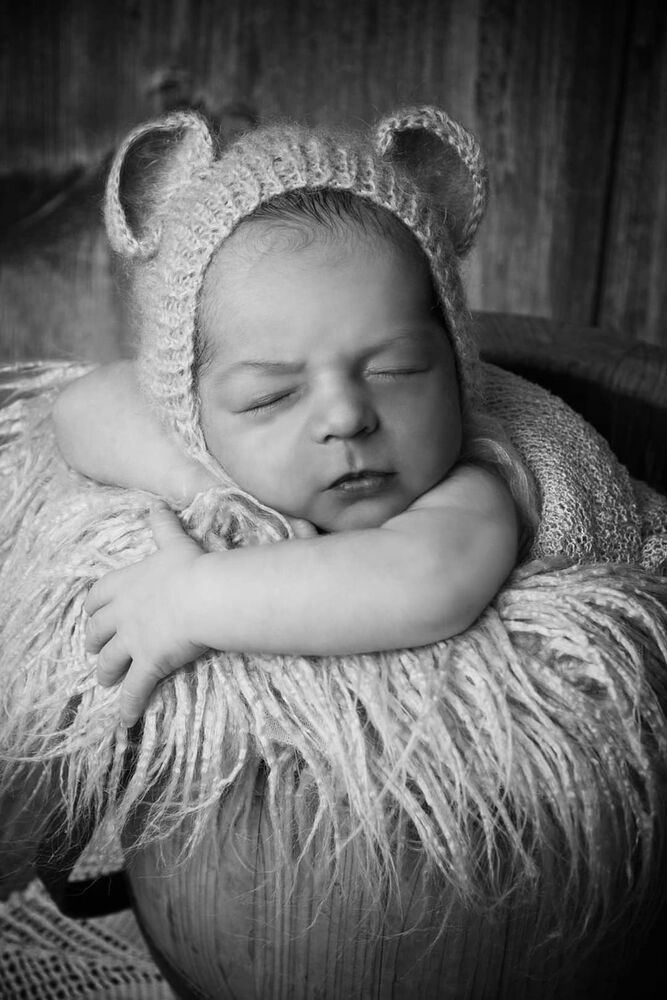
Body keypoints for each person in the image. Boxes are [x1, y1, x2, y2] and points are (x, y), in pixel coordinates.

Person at [53, 108, 537, 730]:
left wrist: (190, 598)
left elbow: (427, 582)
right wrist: (206, 483)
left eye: (396, 370)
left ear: (453, 364)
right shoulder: (196, 428)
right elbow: (79, 407)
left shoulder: (471, 486)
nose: (346, 417)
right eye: (270, 397)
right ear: (193, 415)